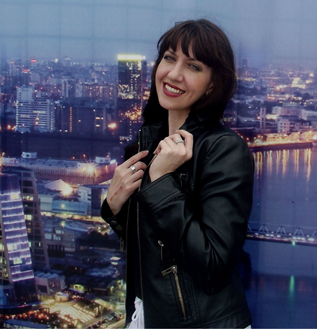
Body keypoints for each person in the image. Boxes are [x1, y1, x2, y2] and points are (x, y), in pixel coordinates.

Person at [101, 19, 254, 328]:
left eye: (193, 66)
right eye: (169, 58)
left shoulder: (223, 150)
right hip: (146, 315)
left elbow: (213, 267)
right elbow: (154, 246)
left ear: (213, 84)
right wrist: (113, 207)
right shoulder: (146, 145)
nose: (173, 74)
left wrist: (160, 182)